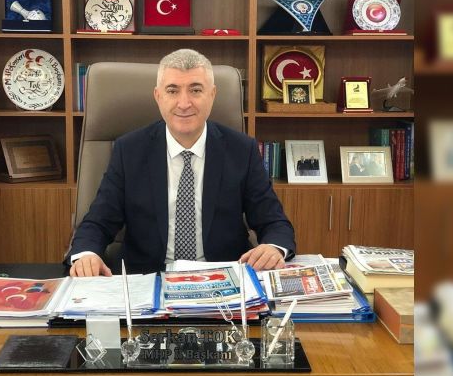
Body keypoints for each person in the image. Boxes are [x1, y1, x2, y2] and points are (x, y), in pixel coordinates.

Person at [67, 49, 296, 277]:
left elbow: (274, 222)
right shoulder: (129, 150)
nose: (184, 103)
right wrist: (87, 255)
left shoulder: (242, 150)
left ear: (212, 94)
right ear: (158, 96)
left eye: (195, 90)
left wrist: (273, 247)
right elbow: (98, 222)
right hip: (148, 279)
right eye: (172, 90)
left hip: (223, 278)